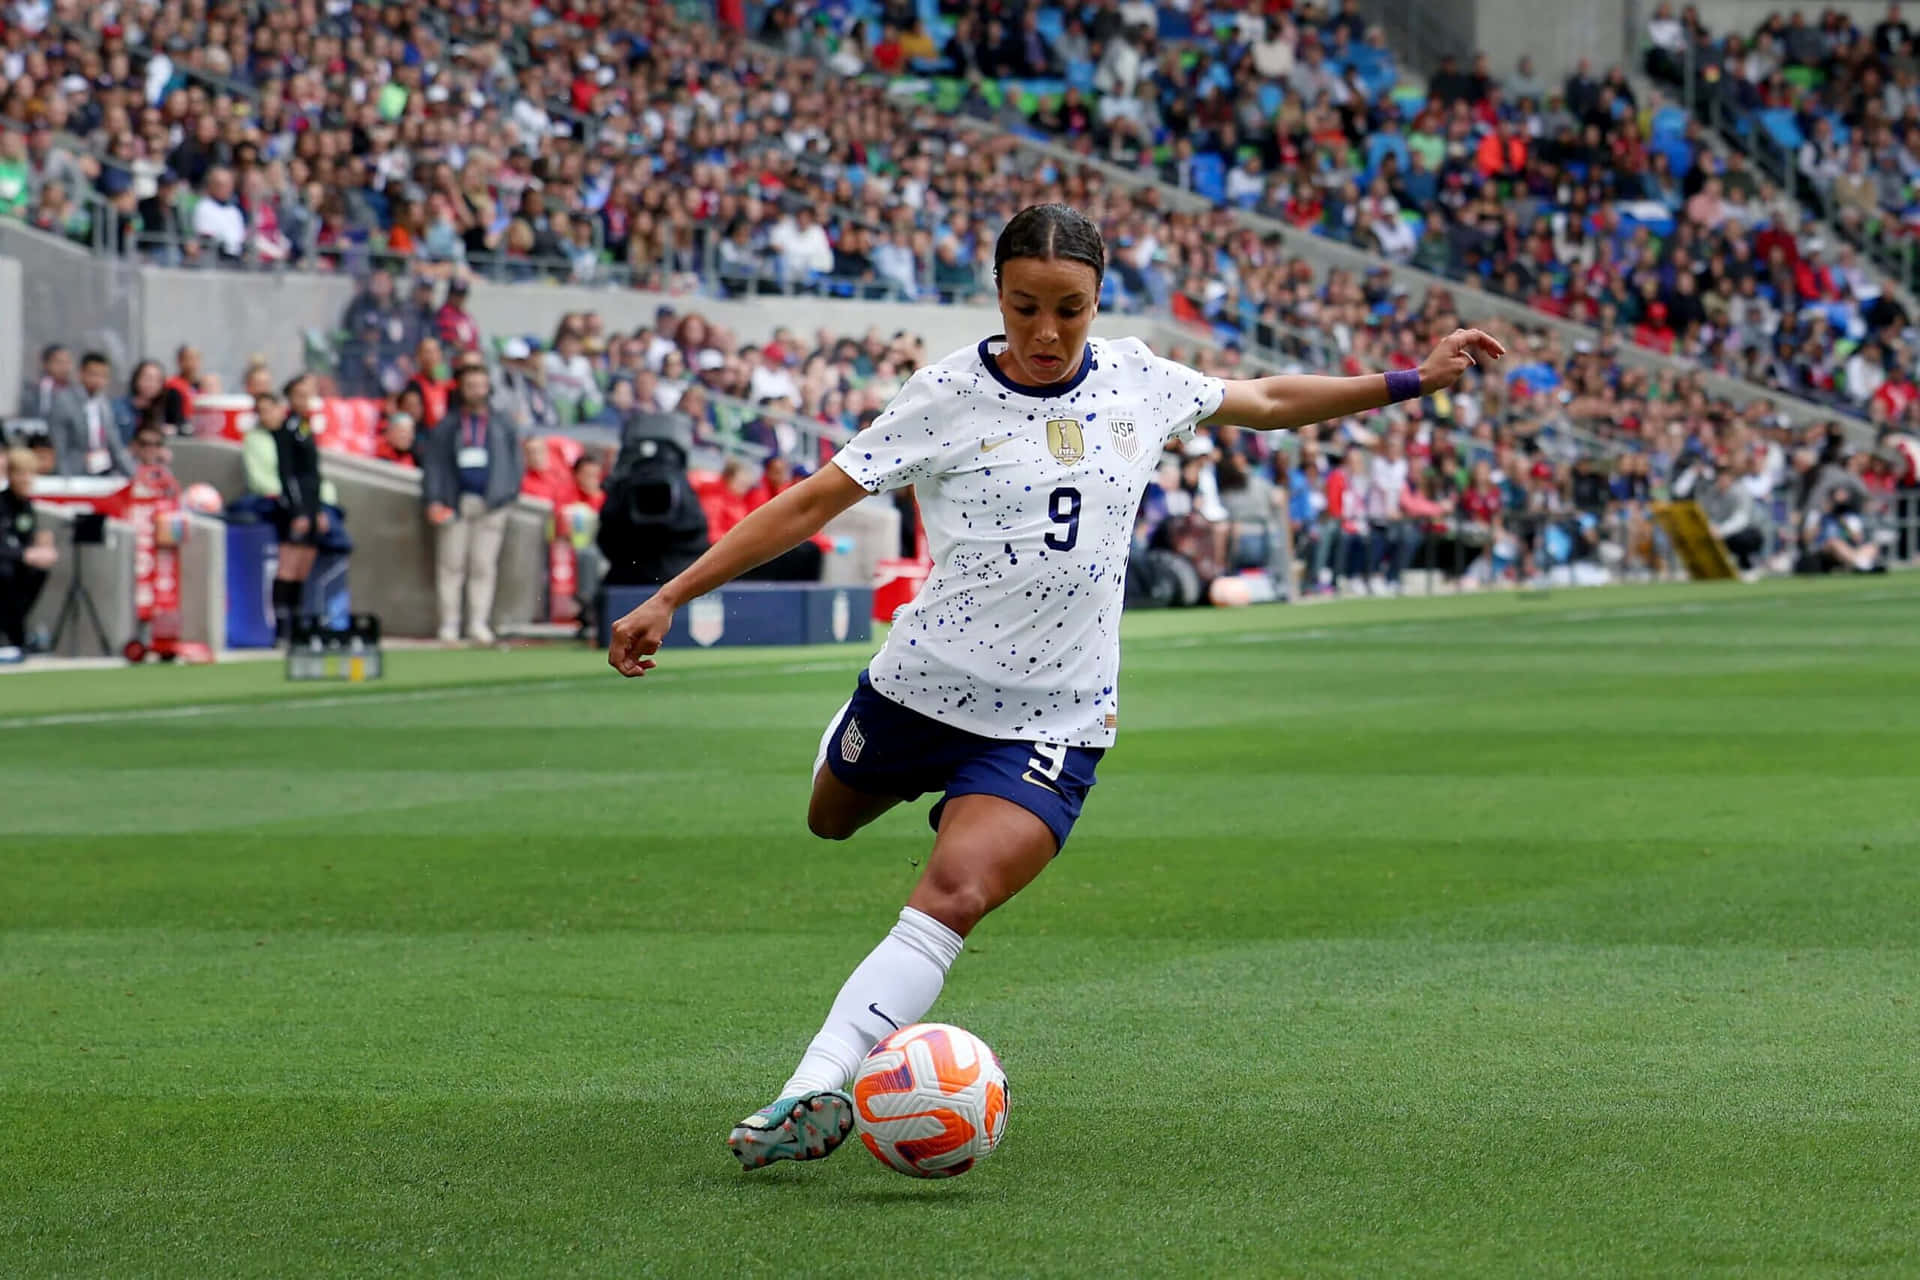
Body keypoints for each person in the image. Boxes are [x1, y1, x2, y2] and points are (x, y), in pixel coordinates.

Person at [604, 203, 1504, 1169]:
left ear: (1098, 301)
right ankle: (856, 750)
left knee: (952, 893)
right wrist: (672, 596)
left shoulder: (1139, 379)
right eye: (1025, 306)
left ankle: (811, 1087)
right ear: (995, 295)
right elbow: (816, 500)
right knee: (830, 819)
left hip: (1054, 717)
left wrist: (1414, 379)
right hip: (915, 688)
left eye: (1068, 310)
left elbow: (1271, 400)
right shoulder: (942, 395)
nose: (1045, 332)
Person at [423, 361, 523, 645]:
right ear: (461, 389)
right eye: (471, 386)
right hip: (455, 502)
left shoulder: (502, 422)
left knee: (483, 566)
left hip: (491, 503)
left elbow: (516, 462)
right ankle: (449, 624)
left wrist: (508, 495)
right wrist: (433, 499)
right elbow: (434, 465)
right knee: (451, 566)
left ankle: (478, 622)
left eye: (481, 385)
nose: (477, 391)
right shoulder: (448, 424)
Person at [259, 377, 326, 642]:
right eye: (298, 395)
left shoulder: (306, 426)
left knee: (303, 567)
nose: (303, 401)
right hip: (296, 506)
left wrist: (317, 509)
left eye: (307, 395)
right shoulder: (287, 429)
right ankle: (281, 627)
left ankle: (298, 623)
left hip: (311, 503)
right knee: (288, 565)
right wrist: (297, 510)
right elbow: (288, 473)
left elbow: (314, 472)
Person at [0, 445, 59, 661]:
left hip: (17, 566)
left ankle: (16, 633)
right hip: (5, 565)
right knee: (5, 572)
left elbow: (27, 536)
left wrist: (42, 547)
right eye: (21, 473)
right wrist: (24, 554)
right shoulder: (2, 504)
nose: (27, 479)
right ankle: (10, 635)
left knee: (37, 573)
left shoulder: (27, 508)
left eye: (30, 474)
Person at [50, 352, 133, 478]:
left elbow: (115, 444)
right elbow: (59, 446)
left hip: (102, 470)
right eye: (93, 374)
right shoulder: (63, 401)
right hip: (74, 473)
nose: (98, 380)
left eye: (103, 376)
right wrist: (64, 480)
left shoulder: (104, 403)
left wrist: (133, 475)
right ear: (81, 374)